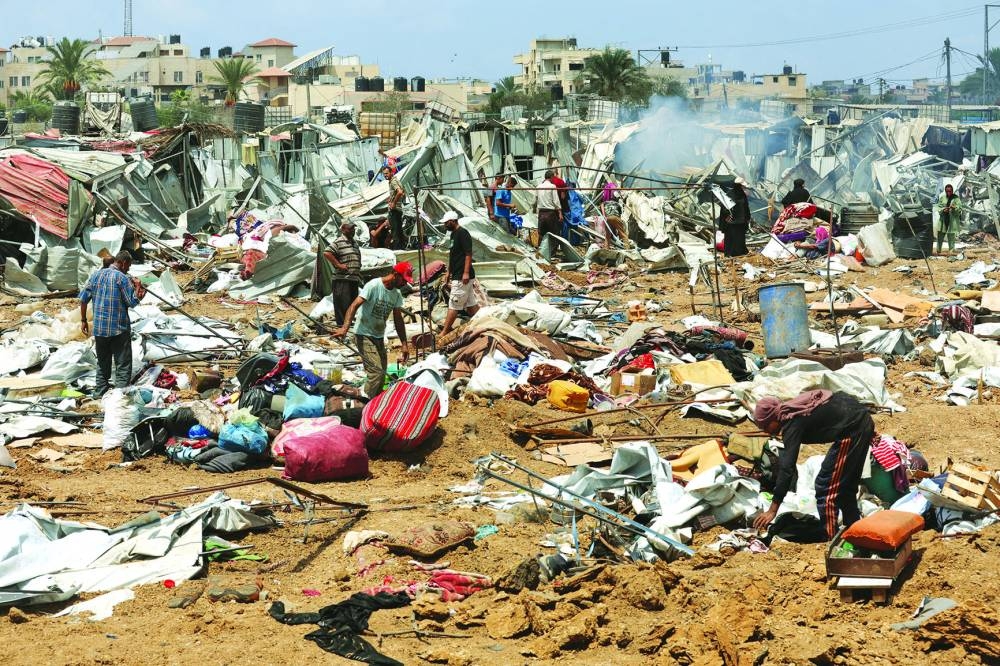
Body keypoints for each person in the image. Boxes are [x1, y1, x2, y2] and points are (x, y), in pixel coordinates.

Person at [751, 390, 875, 540]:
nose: (765, 431)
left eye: (765, 426)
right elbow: (837, 397)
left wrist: (772, 509)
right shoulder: (795, 408)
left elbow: (787, 468)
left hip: (852, 430)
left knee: (826, 489)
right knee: (845, 487)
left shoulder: (792, 421)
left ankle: (832, 540)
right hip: (860, 422)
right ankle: (856, 532)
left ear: (773, 419)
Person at [335, 262, 413, 398]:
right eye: (403, 280)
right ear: (395, 275)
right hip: (363, 334)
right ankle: (364, 404)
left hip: (378, 336)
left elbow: (398, 320)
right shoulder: (374, 285)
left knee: (382, 375)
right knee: (376, 372)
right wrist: (344, 328)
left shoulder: (396, 294)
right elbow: (354, 305)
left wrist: (404, 345)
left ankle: (375, 404)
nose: (404, 284)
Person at [80, 250, 146, 398]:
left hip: (99, 329)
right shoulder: (121, 278)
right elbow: (132, 302)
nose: (128, 269)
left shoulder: (96, 275)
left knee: (102, 364)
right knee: (123, 365)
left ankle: (99, 393)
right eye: (128, 266)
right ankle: (119, 397)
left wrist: (83, 320)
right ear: (123, 263)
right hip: (118, 329)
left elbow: (83, 299)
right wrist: (138, 289)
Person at [439, 211, 484, 336]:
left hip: (463, 276)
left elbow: (468, 254)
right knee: (471, 305)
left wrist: (465, 273)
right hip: (457, 273)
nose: (445, 226)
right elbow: (453, 255)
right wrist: (449, 272)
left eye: (446, 223)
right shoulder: (453, 235)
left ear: (453, 221)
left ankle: (445, 330)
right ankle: (483, 322)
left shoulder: (463, 233)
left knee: (454, 303)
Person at [323, 220, 362, 326]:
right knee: (342, 304)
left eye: (353, 228)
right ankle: (341, 326)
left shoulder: (354, 243)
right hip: (342, 279)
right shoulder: (339, 241)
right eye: (350, 228)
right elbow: (327, 253)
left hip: (353, 278)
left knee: (352, 304)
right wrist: (338, 265)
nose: (353, 230)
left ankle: (347, 325)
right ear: (343, 229)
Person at [720, 181, 751, 257]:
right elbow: (725, 207)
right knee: (731, 238)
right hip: (732, 222)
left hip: (741, 222)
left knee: (740, 238)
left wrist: (747, 217)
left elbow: (746, 207)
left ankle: (739, 253)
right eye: (741, 186)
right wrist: (727, 215)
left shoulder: (742, 195)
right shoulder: (729, 195)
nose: (743, 188)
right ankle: (730, 253)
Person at [535, 170, 563, 242]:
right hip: (550, 213)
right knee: (554, 234)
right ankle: (552, 252)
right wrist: (560, 213)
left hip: (541, 213)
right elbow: (556, 201)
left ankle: (541, 251)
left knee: (541, 234)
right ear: (551, 177)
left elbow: (534, 201)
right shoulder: (552, 186)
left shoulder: (538, 186)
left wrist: (536, 211)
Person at [599, 181, 628, 249]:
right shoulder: (617, 204)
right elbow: (619, 215)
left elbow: (603, 213)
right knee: (623, 234)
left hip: (607, 218)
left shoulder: (603, 203)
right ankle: (627, 249)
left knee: (607, 236)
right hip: (615, 217)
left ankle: (606, 248)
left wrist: (605, 217)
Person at [936, 183, 962, 255]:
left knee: (951, 235)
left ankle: (951, 251)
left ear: (952, 191)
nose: (948, 193)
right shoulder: (942, 198)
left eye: (950, 191)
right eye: (947, 191)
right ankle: (938, 251)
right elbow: (938, 207)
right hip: (944, 219)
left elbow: (960, 209)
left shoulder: (956, 198)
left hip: (952, 220)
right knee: (940, 235)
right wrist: (943, 210)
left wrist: (954, 208)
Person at [385, 166, 407, 250]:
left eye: (387, 173)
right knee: (399, 230)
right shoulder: (396, 180)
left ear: (391, 172)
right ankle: (402, 247)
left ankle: (398, 249)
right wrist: (392, 199)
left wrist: (394, 203)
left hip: (395, 210)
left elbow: (400, 192)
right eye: (384, 174)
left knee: (395, 232)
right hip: (398, 209)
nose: (385, 175)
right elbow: (403, 192)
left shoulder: (393, 182)